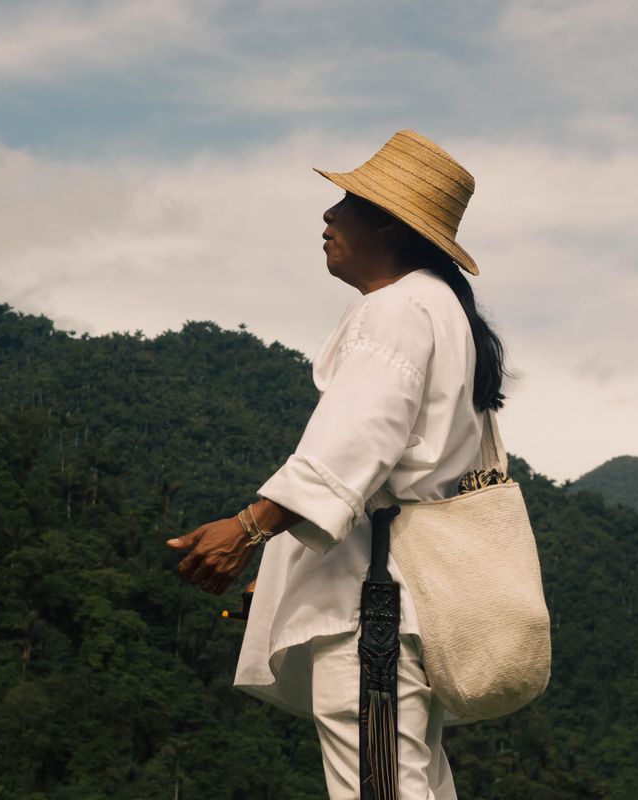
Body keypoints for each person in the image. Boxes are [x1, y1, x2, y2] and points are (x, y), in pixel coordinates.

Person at [167, 130, 507, 799]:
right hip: (407, 602)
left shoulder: (397, 309)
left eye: (347, 203)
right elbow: (394, 472)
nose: (328, 216)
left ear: (389, 223)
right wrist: (288, 570)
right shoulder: (442, 313)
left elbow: (355, 441)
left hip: (374, 614)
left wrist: (250, 527)